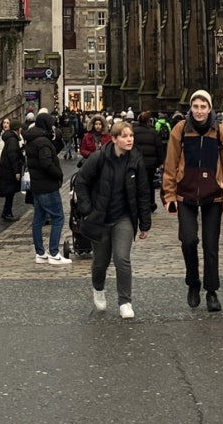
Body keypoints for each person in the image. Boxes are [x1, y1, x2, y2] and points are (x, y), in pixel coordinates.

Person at [161, 89, 223, 312]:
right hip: (185, 194)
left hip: (213, 195)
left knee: (210, 246)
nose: (199, 111)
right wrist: (169, 194)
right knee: (188, 240)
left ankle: (211, 291)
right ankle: (193, 282)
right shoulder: (181, 129)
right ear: (190, 108)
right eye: (196, 106)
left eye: (203, 107)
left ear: (210, 108)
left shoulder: (221, 132)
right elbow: (170, 164)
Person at [75, 117, 151, 318]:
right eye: (125, 136)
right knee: (101, 262)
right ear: (114, 139)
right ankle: (98, 288)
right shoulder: (99, 158)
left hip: (123, 217)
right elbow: (81, 181)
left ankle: (125, 301)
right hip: (99, 217)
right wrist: (87, 209)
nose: (130, 139)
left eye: (131, 136)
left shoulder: (136, 160)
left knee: (122, 258)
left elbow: (143, 192)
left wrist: (145, 223)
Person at [23, 111, 71, 266]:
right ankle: (54, 253)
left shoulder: (33, 139)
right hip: (47, 185)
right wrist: (58, 174)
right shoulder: (42, 142)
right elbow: (46, 163)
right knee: (58, 217)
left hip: (37, 185)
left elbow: (49, 154)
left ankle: (40, 253)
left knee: (38, 218)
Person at [132, 110, 164, 211]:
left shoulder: (134, 131)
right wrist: (161, 161)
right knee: (150, 183)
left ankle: (138, 203)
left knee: (137, 183)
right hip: (151, 163)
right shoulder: (154, 132)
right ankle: (151, 203)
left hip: (137, 161)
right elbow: (159, 148)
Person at [0, 118, 24, 220]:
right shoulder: (13, 140)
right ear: (17, 129)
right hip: (9, 170)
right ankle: (7, 213)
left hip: (7, 168)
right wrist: (17, 171)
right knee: (10, 192)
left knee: (10, 193)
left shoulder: (10, 139)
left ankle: (6, 212)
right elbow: (13, 156)